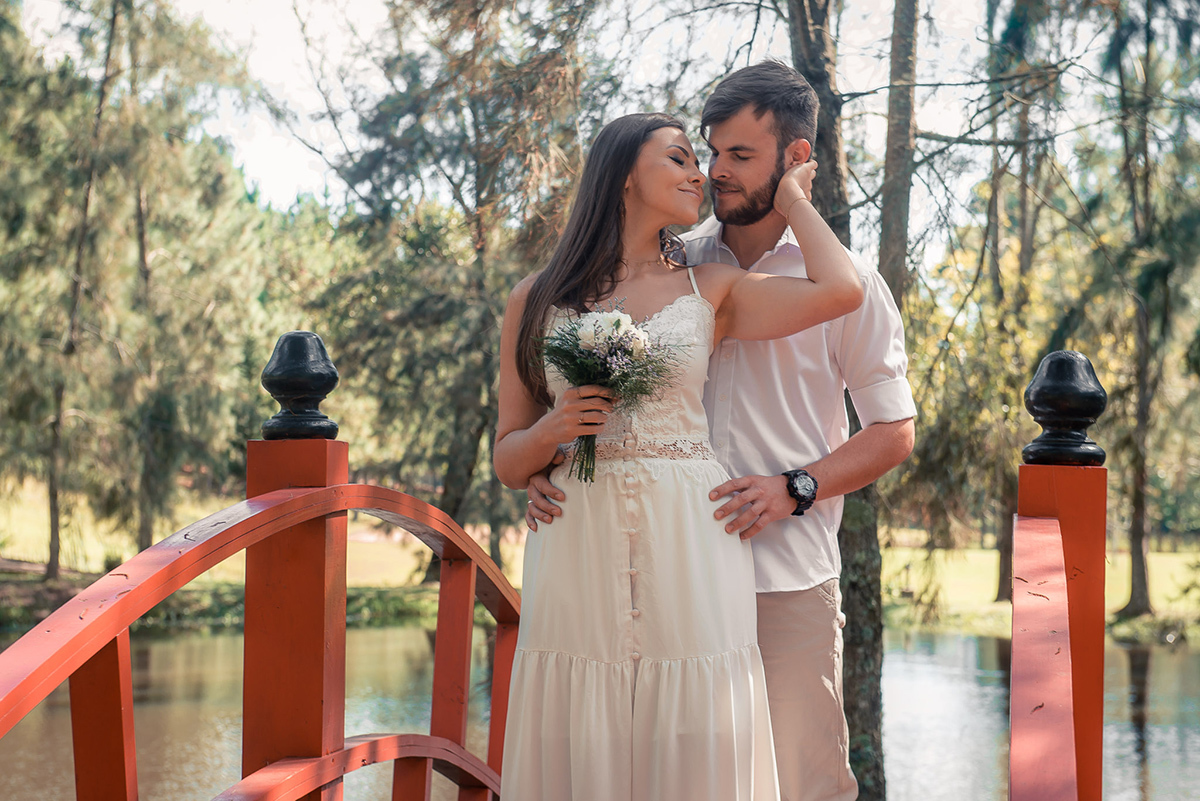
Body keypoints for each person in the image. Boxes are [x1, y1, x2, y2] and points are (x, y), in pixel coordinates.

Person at [527, 62, 916, 801]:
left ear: (796, 158)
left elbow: (894, 431)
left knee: (803, 785)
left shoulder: (849, 283)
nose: (716, 172)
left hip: (784, 575)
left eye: (741, 156)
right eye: (712, 152)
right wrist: (554, 466)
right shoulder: (679, 262)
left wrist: (794, 488)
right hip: (663, 576)